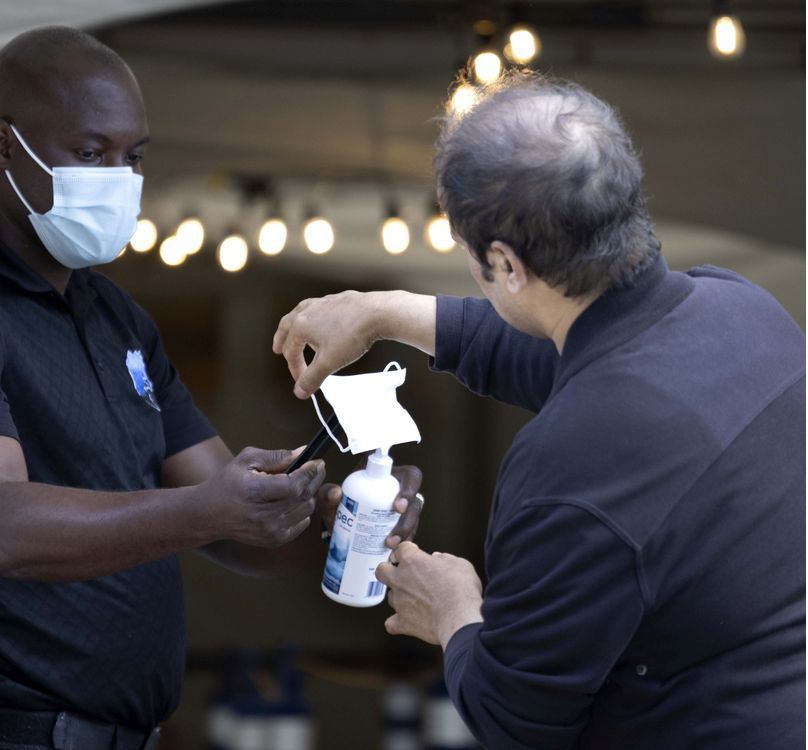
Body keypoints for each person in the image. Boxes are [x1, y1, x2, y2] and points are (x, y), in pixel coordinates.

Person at [0, 26, 423, 750]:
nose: (117, 178)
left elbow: (224, 510)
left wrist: (338, 523)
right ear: (3, 145)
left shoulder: (115, 316)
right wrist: (208, 509)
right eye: (90, 154)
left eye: (133, 157)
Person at [273, 72, 805, 748]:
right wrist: (381, 313)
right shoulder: (741, 308)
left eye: (469, 253)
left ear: (506, 262)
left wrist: (455, 614)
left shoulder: (569, 463)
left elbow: (516, 720)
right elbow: (578, 358)